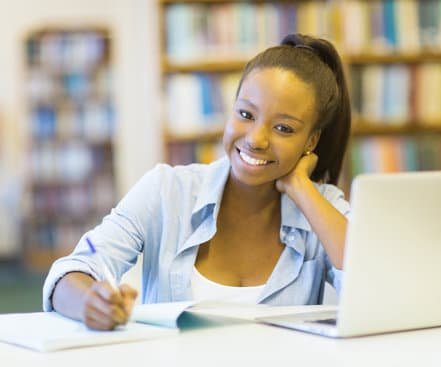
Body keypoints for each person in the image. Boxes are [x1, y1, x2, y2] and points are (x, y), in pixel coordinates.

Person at [43, 33, 352, 330]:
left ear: (311, 140)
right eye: (246, 114)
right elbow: (73, 270)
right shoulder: (166, 189)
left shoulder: (324, 207)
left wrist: (300, 186)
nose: (256, 139)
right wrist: (90, 303)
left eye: (284, 128)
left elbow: (374, 283)